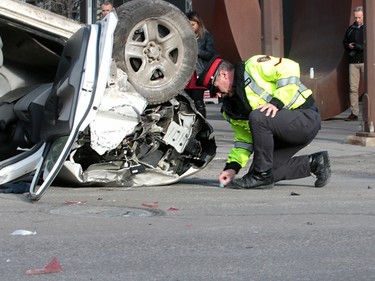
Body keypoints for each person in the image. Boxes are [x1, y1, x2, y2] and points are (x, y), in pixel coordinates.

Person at [196, 55, 331, 189]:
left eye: (215, 88)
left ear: (224, 75)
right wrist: (232, 168)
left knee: (258, 117)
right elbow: (244, 140)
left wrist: (276, 102)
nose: (217, 95)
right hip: (281, 132)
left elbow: (290, 67)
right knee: (265, 169)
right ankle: (315, 163)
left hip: (305, 118)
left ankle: (261, 175)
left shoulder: (253, 66)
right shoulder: (232, 108)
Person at [185, 11, 215, 118]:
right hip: (186, 73)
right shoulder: (185, 37)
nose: (190, 27)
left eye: (192, 24)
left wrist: (196, 51)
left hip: (198, 72)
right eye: (188, 24)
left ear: (198, 23)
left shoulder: (206, 35)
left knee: (198, 101)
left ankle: (202, 126)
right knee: (186, 103)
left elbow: (210, 54)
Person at [342, 6, 364, 121]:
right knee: (353, 88)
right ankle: (354, 113)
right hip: (353, 61)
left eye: (359, 17)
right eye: (356, 17)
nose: (357, 20)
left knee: (371, 88)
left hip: (366, 61)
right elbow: (344, 42)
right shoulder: (351, 28)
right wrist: (348, 46)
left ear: (363, 16)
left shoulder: (369, 28)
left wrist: (361, 47)